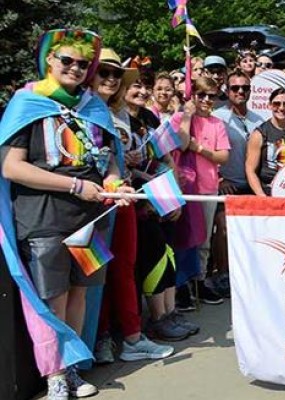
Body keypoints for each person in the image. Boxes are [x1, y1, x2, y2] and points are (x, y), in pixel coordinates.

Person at [0, 30, 136, 400]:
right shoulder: (27, 103)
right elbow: (12, 168)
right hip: (43, 218)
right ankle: (54, 376)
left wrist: (113, 183)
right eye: (67, 61)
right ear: (49, 60)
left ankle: (72, 369)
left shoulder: (93, 107)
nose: (76, 68)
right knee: (52, 298)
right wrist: (74, 187)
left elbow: (107, 162)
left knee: (80, 293)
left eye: (82, 63)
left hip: (90, 219)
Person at [93, 69, 177, 364]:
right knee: (95, 273)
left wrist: (165, 194)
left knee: (125, 269)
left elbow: (140, 164)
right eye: (103, 72)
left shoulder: (127, 118)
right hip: (89, 205)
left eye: (117, 74)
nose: (111, 79)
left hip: (125, 200)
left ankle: (131, 338)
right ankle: (100, 338)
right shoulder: (77, 110)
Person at [171, 77, 231, 311]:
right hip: (185, 188)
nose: (206, 100)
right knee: (183, 238)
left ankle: (199, 280)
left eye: (211, 96)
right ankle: (181, 285)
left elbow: (222, 156)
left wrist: (200, 148)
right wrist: (187, 115)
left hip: (207, 187)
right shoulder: (181, 118)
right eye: (201, 95)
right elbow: (182, 143)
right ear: (193, 95)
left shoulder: (217, 124)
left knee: (203, 240)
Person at [211, 70, 263, 298]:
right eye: (235, 88)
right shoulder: (216, 117)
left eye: (245, 88)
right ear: (227, 90)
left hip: (252, 185)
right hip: (227, 184)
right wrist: (219, 180)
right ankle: (223, 275)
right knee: (223, 229)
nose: (240, 91)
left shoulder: (259, 119)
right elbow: (207, 153)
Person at [246, 87, 285, 196]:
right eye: (276, 104)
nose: (281, 108)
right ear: (269, 105)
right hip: (268, 191)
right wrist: (262, 197)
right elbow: (250, 170)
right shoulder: (260, 133)